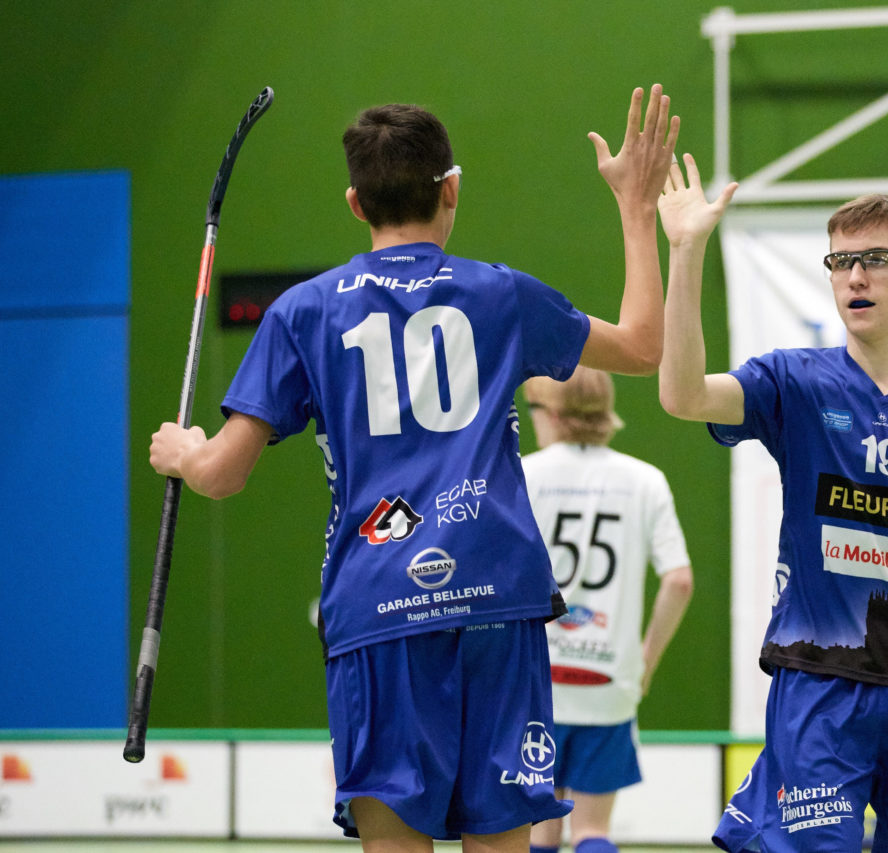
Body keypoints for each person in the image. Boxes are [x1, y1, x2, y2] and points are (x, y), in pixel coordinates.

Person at [148, 86, 679, 853]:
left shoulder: (302, 312)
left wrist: (182, 452)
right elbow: (641, 347)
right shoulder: (499, 293)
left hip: (378, 608)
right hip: (498, 598)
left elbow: (223, 474)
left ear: (355, 202)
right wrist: (635, 206)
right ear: (450, 189)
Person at [656, 165, 888, 850]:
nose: (855, 277)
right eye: (841, 261)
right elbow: (681, 395)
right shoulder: (792, 381)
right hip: (819, 681)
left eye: (876, 260)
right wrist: (685, 251)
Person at [521, 366, 694, 853]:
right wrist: (644, 661)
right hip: (607, 682)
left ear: (551, 412)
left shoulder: (522, 475)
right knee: (593, 832)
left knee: (539, 831)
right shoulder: (645, 480)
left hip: (536, 682)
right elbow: (678, 580)